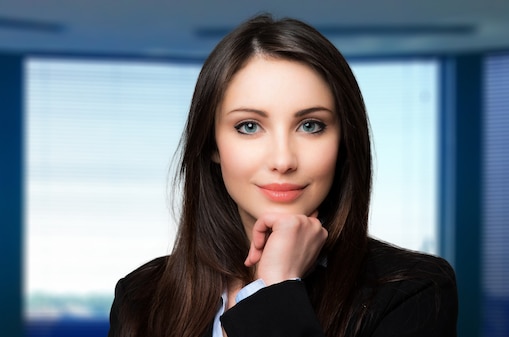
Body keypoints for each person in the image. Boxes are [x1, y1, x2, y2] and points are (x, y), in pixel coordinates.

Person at [108, 14, 457, 337]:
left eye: (310, 125)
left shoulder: (413, 290)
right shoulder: (141, 295)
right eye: (248, 126)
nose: (283, 159)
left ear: (345, 141)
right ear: (211, 144)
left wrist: (276, 290)